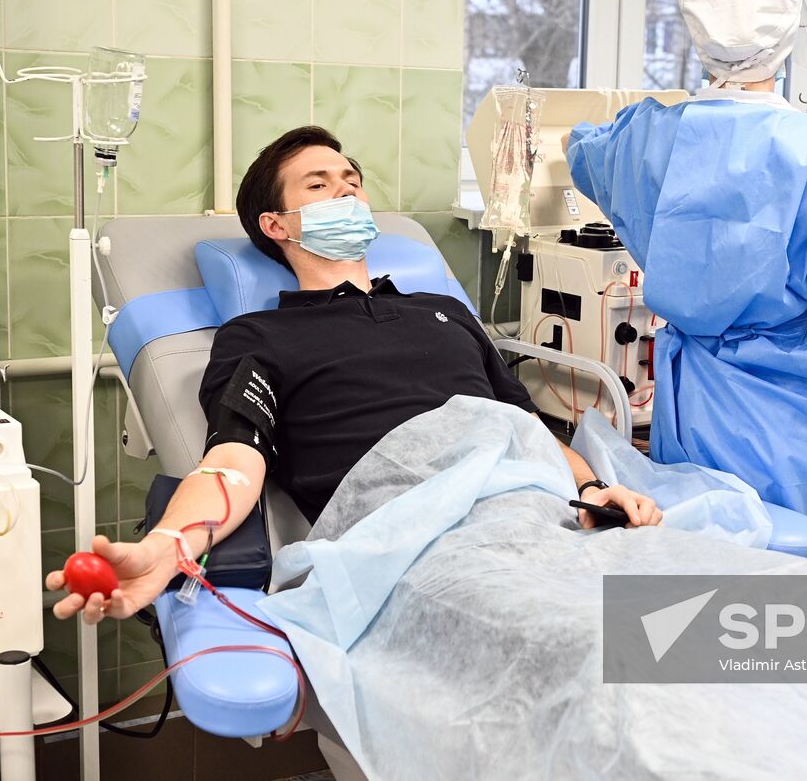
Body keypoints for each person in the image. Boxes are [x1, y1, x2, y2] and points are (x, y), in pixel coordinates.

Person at [48, 126, 662, 624]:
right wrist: (167, 545)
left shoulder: (445, 311)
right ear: (277, 224)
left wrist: (591, 490)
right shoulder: (258, 336)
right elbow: (233, 460)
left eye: (352, 182)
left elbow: (524, 426)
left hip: (546, 519)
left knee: (706, 612)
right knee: (625, 645)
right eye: (319, 185)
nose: (345, 192)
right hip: (418, 549)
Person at [564, 0, 807, 581]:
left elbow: (582, 150)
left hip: (693, 409)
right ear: (789, 32)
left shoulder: (639, 139)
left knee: (702, 589)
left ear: (696, 30)